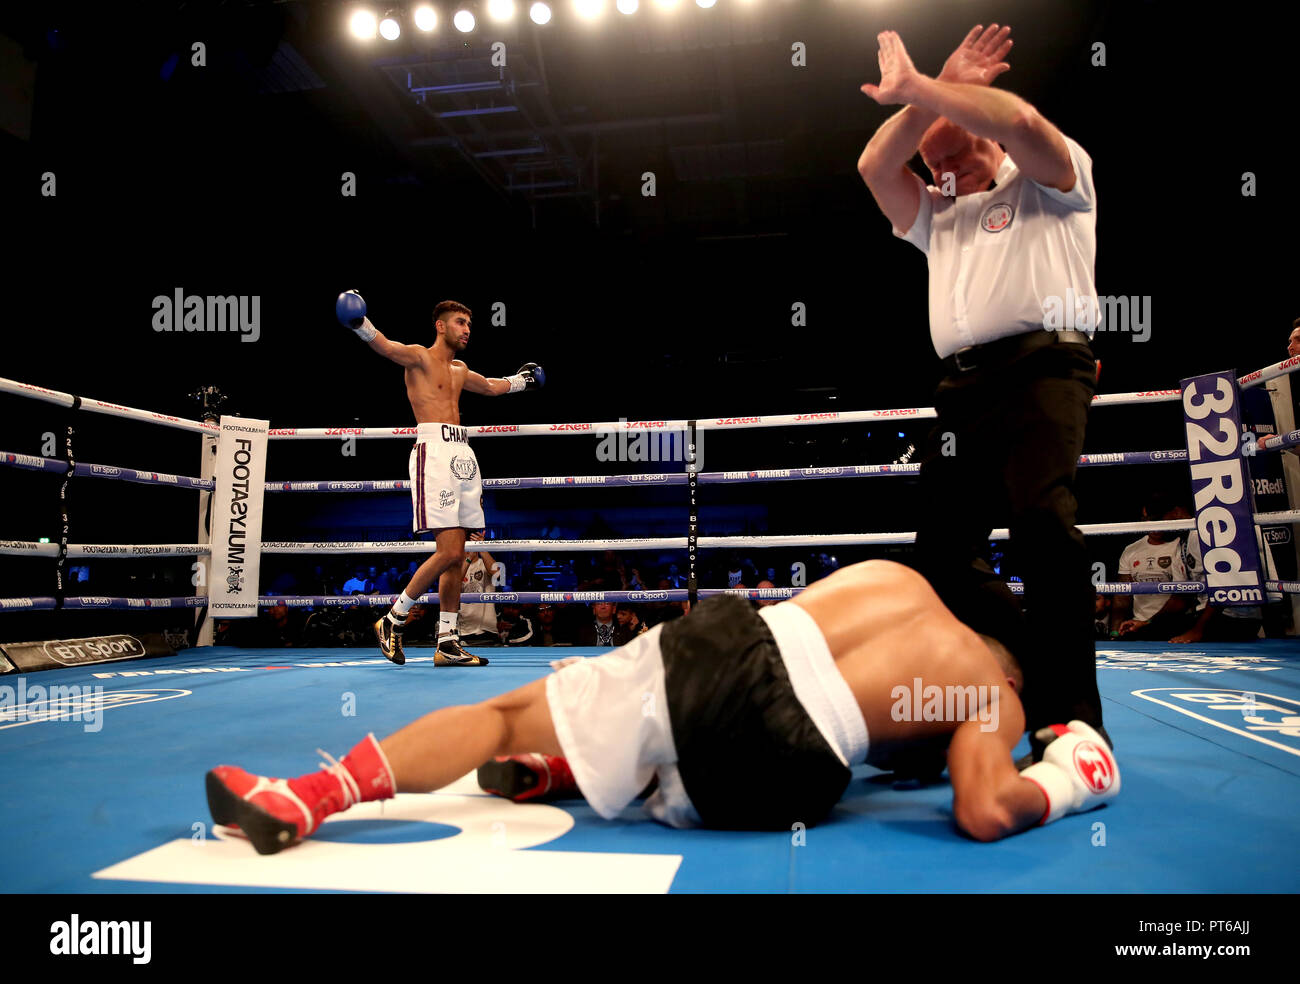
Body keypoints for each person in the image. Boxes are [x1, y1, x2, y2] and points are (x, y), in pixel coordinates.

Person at [205, 559, 1120, 855]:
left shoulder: (894, 578)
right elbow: (985, 807)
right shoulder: (989, 693)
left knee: (507, 710)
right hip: (786, 779)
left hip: (732, 655)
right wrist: (1067, 778)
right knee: (692, 750)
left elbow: (770, 661)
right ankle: (576, 772)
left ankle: (306, 800)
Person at [857, 24, 1106, 751]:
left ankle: (1075, 723)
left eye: (955, 159)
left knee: (1042, 528)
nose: (942, 178)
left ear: (984, 139)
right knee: (938, 552)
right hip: (963, 391)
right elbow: (874, 166)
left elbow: (1024, 122)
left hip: (1043, 371)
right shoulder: (938, 218)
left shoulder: (1054, 184)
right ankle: (1033, 661)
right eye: (932, 167)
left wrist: (945, 92)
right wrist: (919, 94)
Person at [335, 291, 544, 667]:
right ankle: (393, 618)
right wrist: (359, 323)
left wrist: (524, 380)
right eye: (460, 323)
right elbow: (385, 346)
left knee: (458, 556)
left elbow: (494, 386)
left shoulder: (460, 370)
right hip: (434, 453)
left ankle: (447, 641)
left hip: (463, 454)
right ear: (441, 325)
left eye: (469, 324)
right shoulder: (418, 356)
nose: (467, 330)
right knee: (448, 551)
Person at [1110, 493, 1204, 641]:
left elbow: (1180, 599)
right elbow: (1123, 594)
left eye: (1158, 520)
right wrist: (1114, 633)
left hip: (1177, 622)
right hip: (1140, 624)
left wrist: (1148, 623)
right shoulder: (1131, 550)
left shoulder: (1183, 543)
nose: (1154, 525)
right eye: (1149, 520)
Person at [458, 531, 500, 646]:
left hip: (488, 628)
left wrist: (482, 547)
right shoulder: (457, 567)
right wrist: (468, 559)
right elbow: (455, 583)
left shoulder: (486, 562)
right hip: (465, 629)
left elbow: (498, 574)